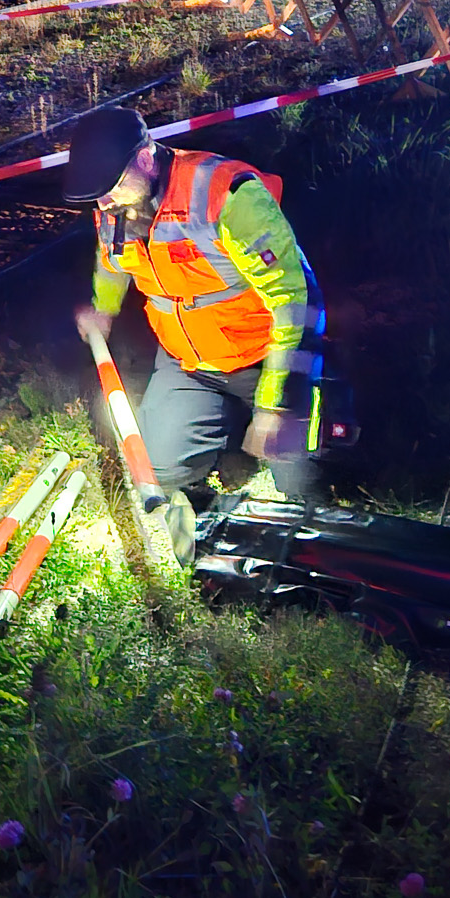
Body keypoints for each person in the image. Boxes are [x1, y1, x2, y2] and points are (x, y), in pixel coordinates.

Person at [62, 106, 324, 564]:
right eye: (97, 197)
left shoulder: (226, 195)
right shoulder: (113, 204)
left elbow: (295, 302)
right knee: (157, 465)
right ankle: (219, 437)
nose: (104, 205)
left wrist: (274, 404)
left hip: (263, 356)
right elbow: (112, 260)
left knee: (299, 483)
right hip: (189, 363)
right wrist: (103, 310)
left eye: (112, 187)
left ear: (145, 156)